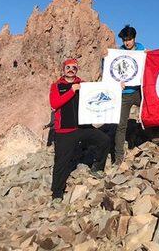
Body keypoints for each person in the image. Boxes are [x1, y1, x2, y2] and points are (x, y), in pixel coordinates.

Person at [49, 58, 110, 202]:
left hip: (84, 127)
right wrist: (71, 91)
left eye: (74, 68)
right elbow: (54, 104)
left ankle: (97, 168)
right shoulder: (56, 86)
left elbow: (102, 92)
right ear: (63, 69)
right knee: (61, 162)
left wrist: (117, 87)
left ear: (77, 70)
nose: (71, 70)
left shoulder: (83, 84)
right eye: (68, 67)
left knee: (104, 140)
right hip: (65, 131)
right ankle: (57, 194)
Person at [111, 24, 145, 166]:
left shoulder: (142, 49)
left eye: (129, 39)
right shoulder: (119, 53)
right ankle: (118, 158)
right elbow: (111, 70)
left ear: (134, 38)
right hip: (124, 94)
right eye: (125, 40)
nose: (127, 42)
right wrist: (117, 82)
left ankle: (157, 138)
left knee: (151, 110)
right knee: (121, 125)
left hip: (139, 91)